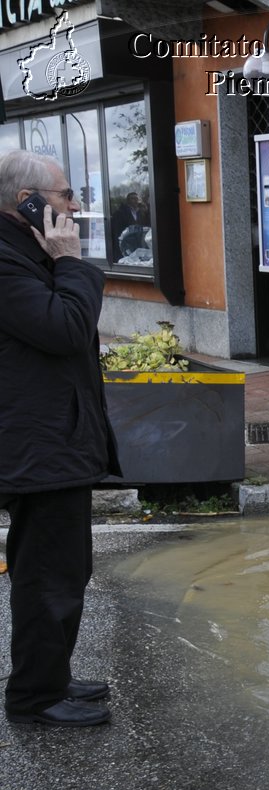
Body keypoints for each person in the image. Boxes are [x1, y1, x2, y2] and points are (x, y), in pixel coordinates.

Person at [0, 150, 121, 727]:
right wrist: (70, 260)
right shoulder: (6, 261)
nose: (74, 206)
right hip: (39, 443)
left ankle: (47, 676)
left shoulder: (25, 250)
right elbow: (66, 328)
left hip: (51, 438)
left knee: (58, 568)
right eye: (64, 195)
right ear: (26, 202)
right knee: (50, 573)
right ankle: (35, 698)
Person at [107, 191, 148, 264]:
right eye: (133, 198)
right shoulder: (120, 213)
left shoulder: (140, 212)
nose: (135, 200)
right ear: (128, 200)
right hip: (124, 243)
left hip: (137, 243)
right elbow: (117, 231)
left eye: (136, 198)